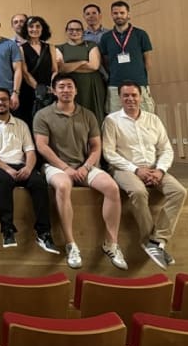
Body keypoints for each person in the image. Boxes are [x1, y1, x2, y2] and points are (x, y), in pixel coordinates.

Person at [34, 74, 127, 270]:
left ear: (76, 91)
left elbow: (96, 147)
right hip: (56, 166)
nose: (66, 90)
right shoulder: (43, 115)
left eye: (69, 86)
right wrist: (66, 168)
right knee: (63, 185)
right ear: (54, 91)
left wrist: (85, 167)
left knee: (111, 187)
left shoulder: (88, 115)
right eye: (61, 87)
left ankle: (111, 244)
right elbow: (42, 147)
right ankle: (71, 244)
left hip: (85, 165)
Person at [103, 82, 186, 268]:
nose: (130, 99)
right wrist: (135, 170)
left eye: (134, 95)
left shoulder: (153, 119)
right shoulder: (111, 120)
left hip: (153, 168)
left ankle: (158, 241)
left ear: (140, 97)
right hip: (124, 169)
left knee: (179, 191)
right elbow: (108, 153)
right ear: (120, 98)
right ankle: (148, 241)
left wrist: (160, 170)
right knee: (139, 192)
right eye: (126, 96)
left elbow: (166, 149)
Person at [0, 88, 59, 253]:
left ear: (10, 102)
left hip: (20, 165)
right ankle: (7, 230)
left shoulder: (21, 124)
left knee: (38, 182)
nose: (1, 103)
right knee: (4, 180)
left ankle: (43, 232)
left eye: (4, 99)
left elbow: (30, 151)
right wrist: (7, 168)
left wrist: (29, 168)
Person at [99, 0, 154, 113]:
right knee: (116, 119)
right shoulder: (106, 37)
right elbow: (105, 61)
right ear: (111, 15)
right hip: (115, 84)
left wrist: (139, 75)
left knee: (145, 117)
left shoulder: (141, 34)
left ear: (128, 14)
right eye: (115, 13)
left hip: (139, 83)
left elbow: (148, 61)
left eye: (122, 13)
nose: (119, 15)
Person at [57, 19, 106, 125]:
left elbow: (94, 65)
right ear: (66, 31)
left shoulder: (91, 45)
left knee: (94, 116)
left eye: (78, 29)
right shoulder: (60, 48)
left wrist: (71, 66)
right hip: (71, 87)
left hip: (92, 85)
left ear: (83, 31)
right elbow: (61, 69)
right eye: (71, 29)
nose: (74, 32)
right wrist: (83, 62)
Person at [18, 16, 57, 124]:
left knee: (50, 121)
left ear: (42, 29)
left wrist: (52, 86)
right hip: (29, 90)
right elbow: (25, 72)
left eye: (38, 26)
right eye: (31, 26)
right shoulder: (21, 48)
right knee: (31, 120)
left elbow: (54, 69)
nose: (34, 29)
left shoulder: (50, 47)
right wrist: (39, 89)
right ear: (26, 29)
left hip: (49, 90)